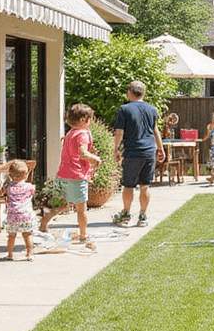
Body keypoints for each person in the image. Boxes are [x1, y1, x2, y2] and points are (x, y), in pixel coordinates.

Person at [39, 103, 101, 241]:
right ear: (82, 120)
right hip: (76, 177)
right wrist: (95, 159)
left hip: (63, 174)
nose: (90, 122)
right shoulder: (82, 134)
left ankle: (44, 223)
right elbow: (83, 153)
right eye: (89, 119)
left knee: (62, 204)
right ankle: (84, 236)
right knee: (81, 209)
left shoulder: (70, 133)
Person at [112, 81, 165, 227]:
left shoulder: (124, 109)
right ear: (143, 93)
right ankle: (142, 216)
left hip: (132, 151)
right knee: (145, 186)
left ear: (129, 92)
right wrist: (160, 149)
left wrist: (116, 150)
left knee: (128, 186)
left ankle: (126, 214)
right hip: (149, 151)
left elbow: (119, 132)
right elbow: (155, 130)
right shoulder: (152, 109)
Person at [3, 159, 37, 261]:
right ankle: (29, 254)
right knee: (27, 235)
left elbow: (6, 194)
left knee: (11, 236)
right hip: (25, 215)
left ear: (10, 175)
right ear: (26, 175)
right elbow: (33, 192)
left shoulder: (9, 189)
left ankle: (9, 254)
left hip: (13, 216)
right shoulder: (29, 187)